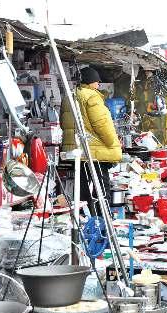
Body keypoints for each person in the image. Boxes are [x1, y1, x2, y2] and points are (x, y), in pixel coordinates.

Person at [60, 67, 122, 216]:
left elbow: (63, 124)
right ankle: (102, 222)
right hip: (94, 153)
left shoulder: (69, 96)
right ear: (92, 82)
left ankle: (85, 222)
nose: (99, 85)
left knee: (83, 192)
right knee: (101, 191)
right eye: (97, 82)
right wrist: (113, 143)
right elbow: (102, 125)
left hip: (77, 153)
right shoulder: (92, 97)